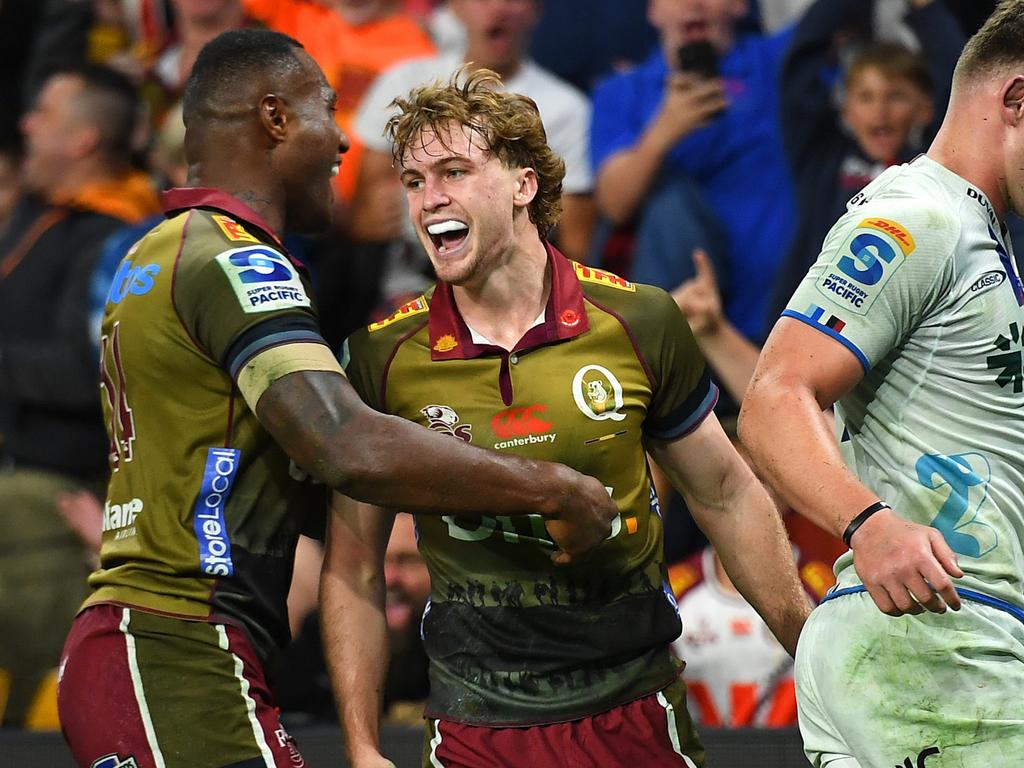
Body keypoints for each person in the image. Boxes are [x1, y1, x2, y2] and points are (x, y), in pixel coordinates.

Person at [56, 29, 617, 768]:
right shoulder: (234, 257)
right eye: (328, 111)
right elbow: (343, 445)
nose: (346, 145)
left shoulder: (157, 251)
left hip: (148, 646)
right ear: (275, 119)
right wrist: (556, 488)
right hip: (176, 645)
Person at [322, 66, 810, 768]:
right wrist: (363, 747)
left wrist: (810, 651)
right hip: (472, 726)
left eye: (454, 172)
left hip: (631, 710)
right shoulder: (379, 357)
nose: (430, 201)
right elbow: (354, 564)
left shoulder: (638, 318)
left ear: (523, 185)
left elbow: (726, 495)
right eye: (414, 182)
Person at [740, 3, 1024, 766]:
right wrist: (868, 524)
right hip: (934, 647)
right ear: (1016, 98)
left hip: (942, 652)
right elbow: (773, 396)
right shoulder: (916, 216)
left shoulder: (975, 233)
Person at [0, 64, 160, 728]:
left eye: (43, 115)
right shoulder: (45, 218)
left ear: (84, 139)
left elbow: (95, 371)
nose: (26, 126)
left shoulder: (119, 240)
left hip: (52, 500)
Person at [590, 0, 797, 341]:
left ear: (740, 6)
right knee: (669, 201)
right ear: (653, 11)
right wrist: (664, 132)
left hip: (775, 311)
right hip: (680, 323)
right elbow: (614, 204)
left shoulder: (775, 62)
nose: (694, 4)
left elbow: (837, 17)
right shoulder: (621, 90)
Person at [352, 0, 594, 265]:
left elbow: (574, 243)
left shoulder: (567, 108)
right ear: (456, 7)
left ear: (535, 10)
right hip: (407, 271)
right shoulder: (405, 81)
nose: (499, 8)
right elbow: (368, 214)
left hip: (515, 274)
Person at [768, 0, 965, 323]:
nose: (880, 111)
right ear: (845, 109)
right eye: (865, 97)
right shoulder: (821, 160)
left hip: (898, 327)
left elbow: (958, 84)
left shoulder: (932, 167)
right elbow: (798, 73)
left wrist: (926, 10)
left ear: (925, 109)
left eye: (896, 96)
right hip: (806, 327)